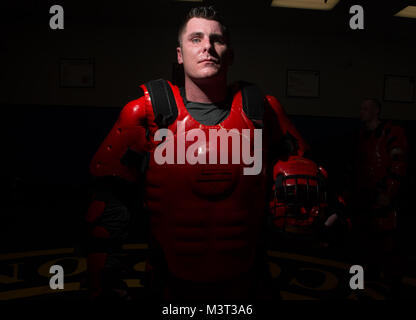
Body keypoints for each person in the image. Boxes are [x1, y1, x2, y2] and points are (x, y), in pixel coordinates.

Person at [83, 6, 308, 301]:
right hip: (169, 283)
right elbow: (108, 203)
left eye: (217, 40)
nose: (207, 47)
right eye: (196, 39)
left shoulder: (263, 111)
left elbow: (305, 174)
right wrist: (104, 274)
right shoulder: (145, 113)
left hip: (247, 282)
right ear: (179, 54)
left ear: (230, 54)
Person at [348, 98, 408, 298]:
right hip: (365, 194)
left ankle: (394, 284)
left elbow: (398, 162)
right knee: (364, 238)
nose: (361, 112)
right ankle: (366, 276)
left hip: (381, 195)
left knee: (388, 241)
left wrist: (388, 192)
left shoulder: (391, 132)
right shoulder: (363, 135)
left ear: (376, 111)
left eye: (365, 108)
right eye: (361, 108)